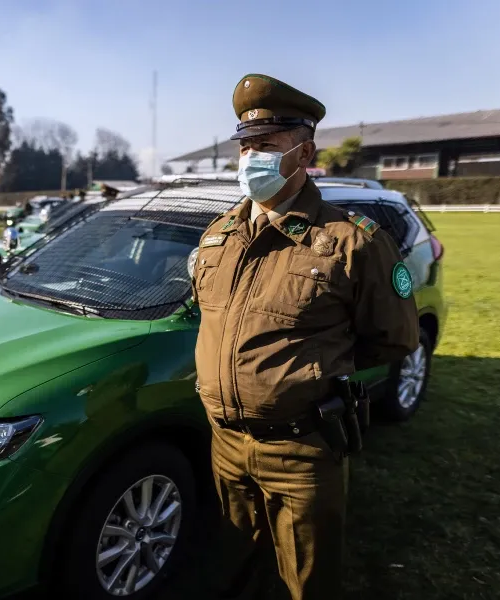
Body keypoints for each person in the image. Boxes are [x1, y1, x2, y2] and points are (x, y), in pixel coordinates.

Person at [191, 74, 419, 600]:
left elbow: (393, 337)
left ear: (303, 152)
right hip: (225, 444)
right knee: (233, 570)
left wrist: (314, 366)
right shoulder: (218, 236)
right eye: (245, 146)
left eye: (266, 146)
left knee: (307, 584)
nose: (250, 159)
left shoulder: (350, 242)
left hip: (301, 450)